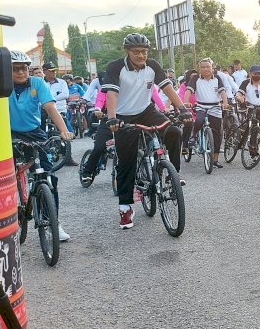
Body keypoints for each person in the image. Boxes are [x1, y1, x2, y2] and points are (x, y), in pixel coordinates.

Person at [102, 33, 191, 229]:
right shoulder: (116, 67)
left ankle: (172, 175)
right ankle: (125, 207)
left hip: (146, 111)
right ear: (127, 51)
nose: (141, 55)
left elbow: (167, 88)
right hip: (123, 116)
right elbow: (112, 94)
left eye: (144, 52)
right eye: (136, 52)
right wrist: (112, 118)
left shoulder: (153, 66)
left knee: (174, 131)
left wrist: (182, 109)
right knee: (126, 163)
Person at [9, 51, 74, 242]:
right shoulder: (2, 85)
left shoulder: (37, 83)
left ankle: (53, 222)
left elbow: (50, 108)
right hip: (8, 134)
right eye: (15, 69)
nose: (21, 72)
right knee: (5, 179)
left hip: (34, 132)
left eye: (24, 68)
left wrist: (64, 131)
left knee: (48, 178)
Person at [80, 78, 168, 185]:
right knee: (99, 147)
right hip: (109, 119)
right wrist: (98, 109)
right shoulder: (110, 84)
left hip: (131, 119)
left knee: (144, 141)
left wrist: (164, 110)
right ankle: (88, 171)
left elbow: (155, 97)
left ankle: (143, 171)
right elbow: (100, 99)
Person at [184, 58, 231, 169]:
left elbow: (223, 91)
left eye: (207, 67)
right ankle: (194, 135)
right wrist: (185, 102)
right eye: (203, 67)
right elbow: (189, 90)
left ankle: (215, 160)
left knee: (217, 134)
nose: (205, 69)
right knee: (199, 120)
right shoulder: (195, 78)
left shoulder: (217, 78)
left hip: (215, 107)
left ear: (212, 68)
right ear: (199, 69)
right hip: (201, 106)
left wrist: (225, 102)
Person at [236, 65, 260, 159]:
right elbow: (239, 93)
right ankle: (253, 151)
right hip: (252, 109)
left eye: (259, 73)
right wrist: (240, 98)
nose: (257, 75)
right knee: (253, 130)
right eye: (255, 73)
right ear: (250, 74)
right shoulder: (245, 83)